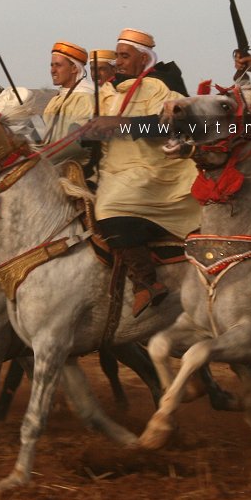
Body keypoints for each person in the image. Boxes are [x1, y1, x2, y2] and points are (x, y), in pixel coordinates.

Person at [85, 28, 199, 314]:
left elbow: (170, 125)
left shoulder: (161, 87)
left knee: (108, 208)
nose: (118, 62)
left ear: (144, 58)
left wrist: (120, 125)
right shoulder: (113, 91)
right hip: (114, 171)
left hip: (153, 170)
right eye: (118, 56)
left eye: (125, 56)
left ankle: (145, 282)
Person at [42, 41, 95, 163]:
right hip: (51, 163)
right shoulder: (56, 99)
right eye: (52, 65)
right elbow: (41, 134)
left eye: (58, 65)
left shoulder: (85, 99)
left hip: (76, 168)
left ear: (74, 68)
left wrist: (41, 159)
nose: (53, 70)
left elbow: (74, 144)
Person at [90, 48, 118, 115]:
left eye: (101, 69)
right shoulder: (92, 95)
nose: (96, 74)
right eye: (93, 69)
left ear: (114, 70)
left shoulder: (118, 93)